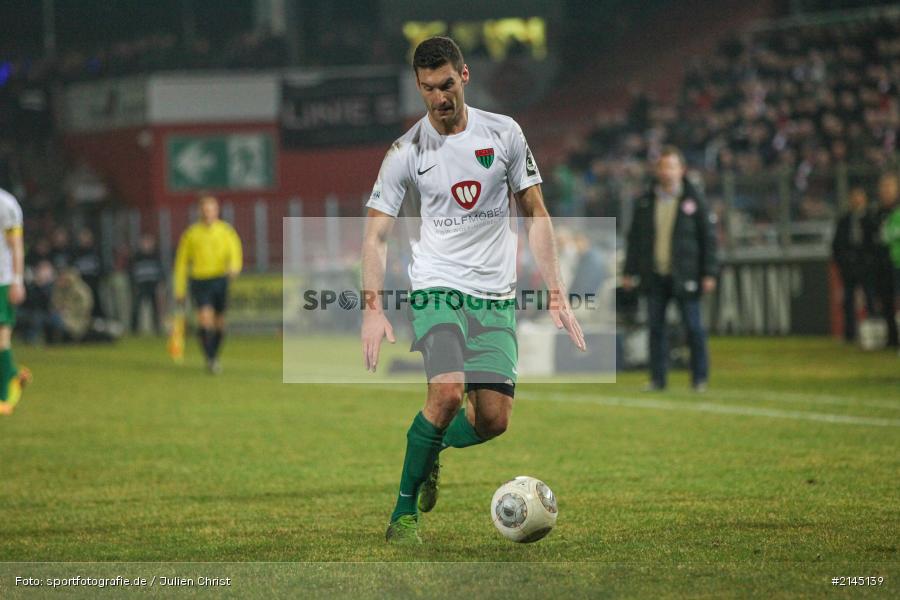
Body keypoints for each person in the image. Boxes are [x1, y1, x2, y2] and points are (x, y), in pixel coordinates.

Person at [361, 36, 585, 544]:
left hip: (494, 295)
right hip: (437, 288)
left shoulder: (504, 134)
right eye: (426, 89)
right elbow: (375, 234)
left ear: (463, 76)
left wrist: (555, 289)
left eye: (445, 85)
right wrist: (372, 308)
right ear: (417, 88)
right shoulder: (405, 152)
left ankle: (433, 448)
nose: (438, 98)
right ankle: (402, 517)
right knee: (444, 393)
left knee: (493, 420)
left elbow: (535, 211)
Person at [622, 147, 718, 392]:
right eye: (663, 167)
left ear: (681, 170)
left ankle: (699, 379)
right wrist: (628, 270)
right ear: (657, 171)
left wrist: (709, 272)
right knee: (655, 329)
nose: (667, 172)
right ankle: (658, 379)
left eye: (672, 167)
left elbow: (708, 238)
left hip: (686, 274)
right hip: (655, 274)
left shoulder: (694, 200)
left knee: (693, 328)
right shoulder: (646, 201)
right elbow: (635, 239)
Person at [173, 195, 243, 373]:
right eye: (205, 209)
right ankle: (210, 358)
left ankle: (214, 355)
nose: (208, 213)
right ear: (200, 211)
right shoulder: (191, 234)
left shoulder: (226, 231)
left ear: (217, 211)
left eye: (211, 209)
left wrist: (234, 267)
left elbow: (235, 253)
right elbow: (181, 263)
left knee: (220, 323)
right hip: (200, 280)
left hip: (220, 279)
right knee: (205, 319)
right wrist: (179, 289)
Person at [0, 187, 31, 415]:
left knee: (2, 337)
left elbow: (16, 246)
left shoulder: (6, 204)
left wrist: (18, 280)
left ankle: (4, 397)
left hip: (2, 280)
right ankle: (13, 374)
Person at [832, 187, 875, 342]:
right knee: (848, 301)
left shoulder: (871, 218)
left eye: (859, 197)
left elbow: (875, 243)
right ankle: (850, 334)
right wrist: (842, 263)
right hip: (849, 266)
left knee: (870, 299)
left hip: (866, 265)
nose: (857, 200)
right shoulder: (844, 220)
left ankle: (874, 332)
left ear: (865, 199)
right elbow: (836, 244)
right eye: (854, 197)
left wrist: (871, 261)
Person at [871, 173, 899, 348]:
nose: (886, 191)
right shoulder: (875, 214)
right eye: (884, 187)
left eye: (890, 187)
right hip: (883, 264)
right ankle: (892, 339)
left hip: (898, 264)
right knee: (886, 302)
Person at [131, 233, 165, 334]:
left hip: (152, 285)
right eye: (144, 242)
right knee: (137, 307)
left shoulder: (156, 257)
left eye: (148, 242)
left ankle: (157, 328)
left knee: (155, 308)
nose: (146, 245)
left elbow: (160, 273)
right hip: (141, 286)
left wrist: (160, 284)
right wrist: (134, 285)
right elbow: (132, 273)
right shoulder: (136, 257)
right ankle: (134, 329)